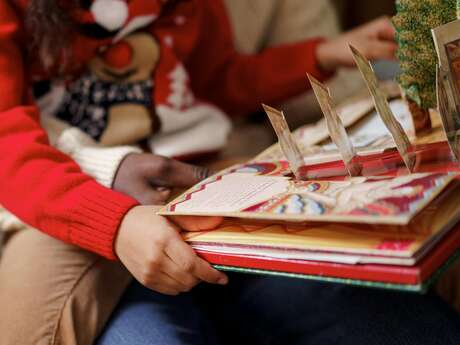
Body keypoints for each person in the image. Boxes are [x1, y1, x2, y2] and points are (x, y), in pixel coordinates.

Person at [1, 1, 458, 345]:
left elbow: (219, 80)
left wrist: (321, 54)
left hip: (212, 189)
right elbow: (8, 141)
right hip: (91, 207)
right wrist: (116, 223)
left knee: (408, 325)